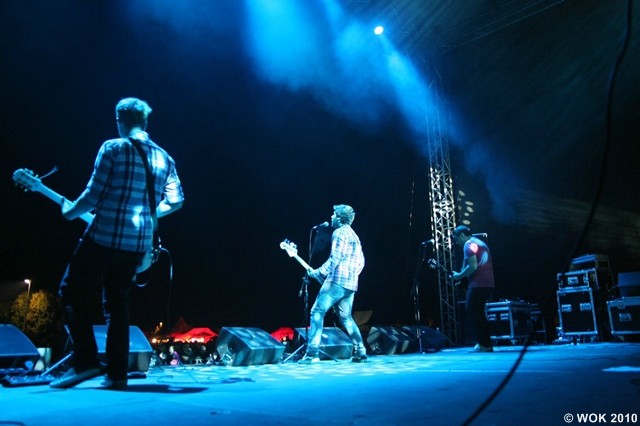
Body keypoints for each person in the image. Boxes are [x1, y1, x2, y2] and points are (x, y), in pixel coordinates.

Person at [50, 97, 184, 389]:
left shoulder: (113, 147)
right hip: (137, 244)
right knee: (117, 305)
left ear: (119, 121)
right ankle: (117, 374)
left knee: (70, 291)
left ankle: (85, 361)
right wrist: (149, 212)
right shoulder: (164, 157)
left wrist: (69, 212)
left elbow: (92, 195)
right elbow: (176, 201)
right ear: (145, 121)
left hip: (104, 237)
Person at [303, 204, 367, 363]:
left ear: (339, 218)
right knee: (346, 318)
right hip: (350, 284)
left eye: (333, 214)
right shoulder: (354, 236)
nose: (331, 217)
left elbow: (335, 258)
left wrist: (319, 272)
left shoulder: (339, 233)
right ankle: (360, 350)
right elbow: (362, 262)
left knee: (317, 311)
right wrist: (353, 276)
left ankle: (312, 353)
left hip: (336, 282)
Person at [451, 225, 495, 352]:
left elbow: (473, 266)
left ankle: (484, 345)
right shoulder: (479, 242)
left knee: (474, 312)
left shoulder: (468, 244)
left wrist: (459, 276)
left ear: (461, 235)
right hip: (487, 283)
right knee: (479, 314)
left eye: (456, 239)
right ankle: (486, 344)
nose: (457, 243)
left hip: (478, 284)